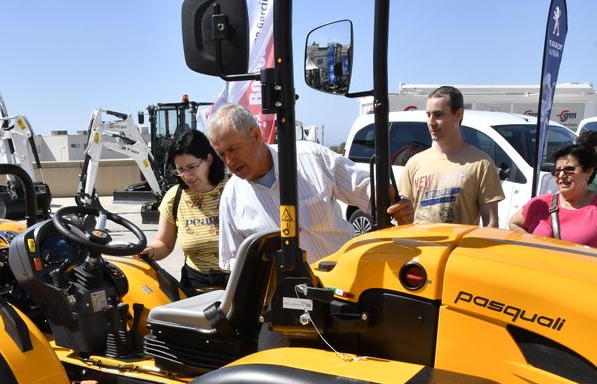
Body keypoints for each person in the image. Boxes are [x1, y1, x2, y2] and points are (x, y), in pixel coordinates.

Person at [208, 104, 411, 270]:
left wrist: (391, 200)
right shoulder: (231, 197)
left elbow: (367, 190)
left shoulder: (312, 159)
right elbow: (234, 264)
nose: (229, 161)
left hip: (342, 288)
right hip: (283, 304)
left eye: (233, 149)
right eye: (222, 155)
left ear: (256, 136)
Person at [508, 142, 597, 255]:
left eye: (569, 169)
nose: (561, 176)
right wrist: (533, 247)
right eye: (557, 171)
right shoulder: (540, 204)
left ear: (588, 171)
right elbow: (514, 223)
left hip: (582, 286)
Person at [397, 86, 504, 227]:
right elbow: (403, 218)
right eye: (428, 115)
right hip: (422, 246)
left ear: (458, 114)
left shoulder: (481, 164)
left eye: (438, 115)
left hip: (461, 248)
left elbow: (491, 223)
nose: (431, 122)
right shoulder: (414, 163)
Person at [139, 129, 230, 294]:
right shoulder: (175, 197)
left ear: (209, 159)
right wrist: (149, 251)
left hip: (240, 289)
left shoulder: (235, 189)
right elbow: (165, 244)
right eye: (180, 170)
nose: (186, 176)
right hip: (195, 291)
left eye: (191, 167)